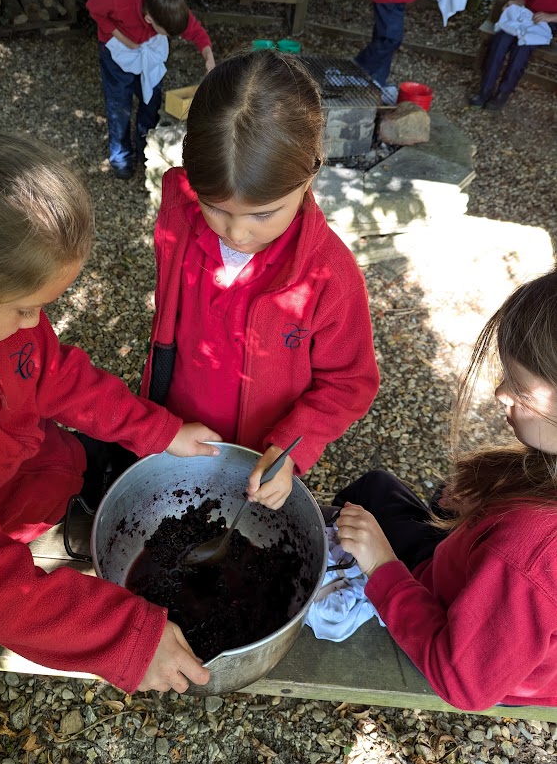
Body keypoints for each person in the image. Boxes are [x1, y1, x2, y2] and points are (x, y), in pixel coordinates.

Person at [0, 121, 224, 695]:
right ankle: (68, 539)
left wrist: (160, 432)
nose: (34, 325)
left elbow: (56, 373)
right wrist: (124, 637)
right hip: (3, 522)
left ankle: (83, 507)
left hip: (47, 461)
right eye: (24, 309)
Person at [140, 51, 380, 511]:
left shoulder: (329, 276)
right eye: (216, 207)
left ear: (312, 172)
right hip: (179, 432)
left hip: (260, 456)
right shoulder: (178, 216)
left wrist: (292, 446)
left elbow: (349, 381)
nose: (237, 232)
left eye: (263, 214)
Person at [336, 269, 557, 711]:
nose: (499, 394)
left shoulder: (525, 552)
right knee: (429, 494)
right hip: (501, 610)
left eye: (517, 384)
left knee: (372, 491)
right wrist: (487, 501)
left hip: (454, 626)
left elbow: (463, 684)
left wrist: (382, 566)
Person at [87, 0, 215, 180]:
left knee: (151, 100)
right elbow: (94, 8)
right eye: (167, 32)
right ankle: (121, 157)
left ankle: (147, 146)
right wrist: (123, 38)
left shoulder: (168, 5)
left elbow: (196, 32)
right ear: (149, 20)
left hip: (147, 49)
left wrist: (209, 59)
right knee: (119, 105)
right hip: (118, 49)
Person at [469, 0, 557, 111]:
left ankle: (502, 94)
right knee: (499, 41)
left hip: (547, 25)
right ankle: (484, 90)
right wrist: (514, 3)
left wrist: (550, 17)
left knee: (521, 49)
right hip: (526, 18)